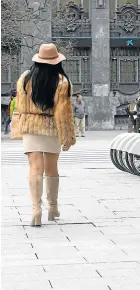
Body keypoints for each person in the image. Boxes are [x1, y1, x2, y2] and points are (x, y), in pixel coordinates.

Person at [16, 43, 76, 227]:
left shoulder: (25, 79)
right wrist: (68, 137)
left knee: (34, 168)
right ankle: (53, 207)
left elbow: (19, 106)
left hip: (31, 127)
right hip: (51, 126)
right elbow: (63, 112)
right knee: (51, 168)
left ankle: (36, 210)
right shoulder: (62, 81)